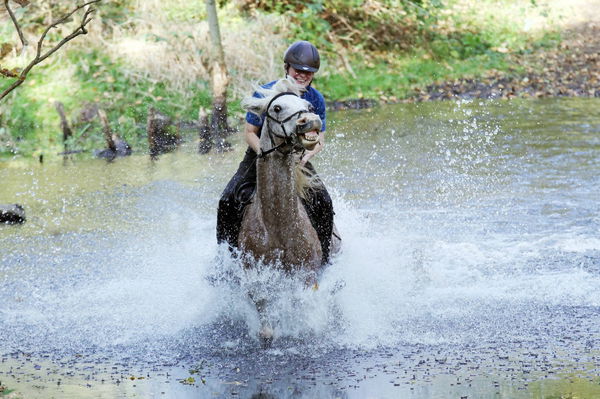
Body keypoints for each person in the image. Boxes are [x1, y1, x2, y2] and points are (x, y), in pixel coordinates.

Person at [217, 40, 334, 263]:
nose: (302, 76)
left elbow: (319, 139)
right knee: (228, 200)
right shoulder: (266, 92)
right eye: (298, 70)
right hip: (260, 153)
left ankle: (326, 259)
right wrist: (265, 153)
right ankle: (226, 261)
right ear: (287, 68)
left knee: (324, 202)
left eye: (308, 73)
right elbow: (250, 132)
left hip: (297, 155)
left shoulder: (315, 99)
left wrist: (305, 157)